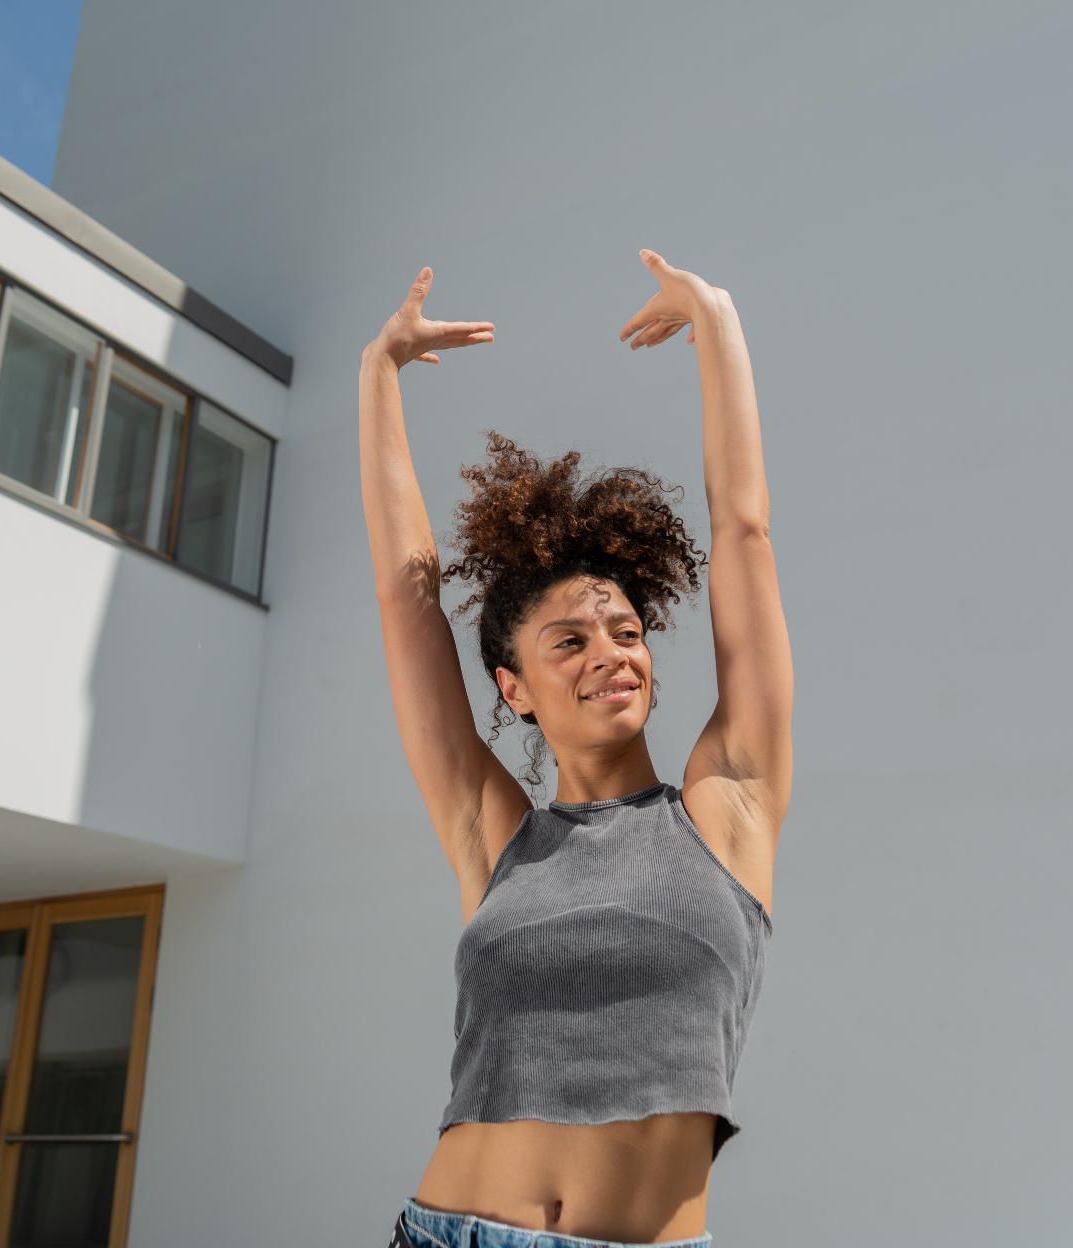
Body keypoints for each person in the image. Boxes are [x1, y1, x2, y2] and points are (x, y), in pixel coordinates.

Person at [360, 251, 793, 1248]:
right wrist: (377, 374)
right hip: (443, 1231)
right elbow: (405, 597)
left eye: (627, 633)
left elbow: (745, 531)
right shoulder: (496, 840)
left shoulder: (730, 805)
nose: (612, 654)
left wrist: (716, 322)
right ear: (512, 687)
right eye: (571, 641)